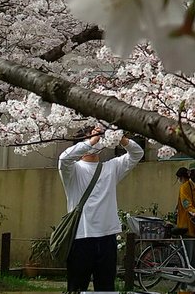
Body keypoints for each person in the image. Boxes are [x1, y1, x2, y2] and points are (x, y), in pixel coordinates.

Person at [59, 125, 143, 292]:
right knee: (76, 288)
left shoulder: (111, 168)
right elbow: (64, 159)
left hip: (107, 237)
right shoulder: (73, 170)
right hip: (81, 237)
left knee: (106, 288)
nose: (96, 142)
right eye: (90, 138)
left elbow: (137, 154)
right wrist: (93, 140)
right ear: (81, 144)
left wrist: (120, 138)